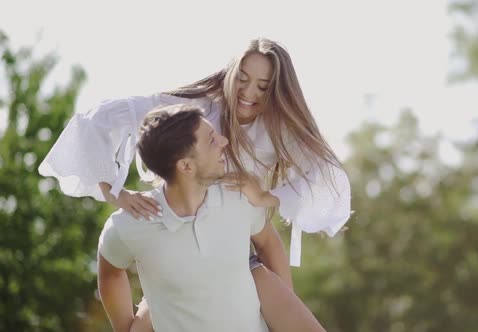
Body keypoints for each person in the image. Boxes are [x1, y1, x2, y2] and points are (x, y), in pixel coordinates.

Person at [39, 38, 350, 329]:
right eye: (242, 78)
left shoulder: (279, 130)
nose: (248, 92)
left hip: (237, 253)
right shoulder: (193, 111)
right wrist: (114, 192)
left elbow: (326, 178)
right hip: (173, 257)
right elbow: (96, 120)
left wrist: (262, 195)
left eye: (262, 86)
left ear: (276, 91)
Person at [99, 104, 324, 331]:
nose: (224, 142)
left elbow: (268, 242)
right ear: (186, 166)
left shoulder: (238, 196)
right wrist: (125, 327)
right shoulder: (131, 223)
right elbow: (110, 272)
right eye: (211, 140)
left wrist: (283, 314)